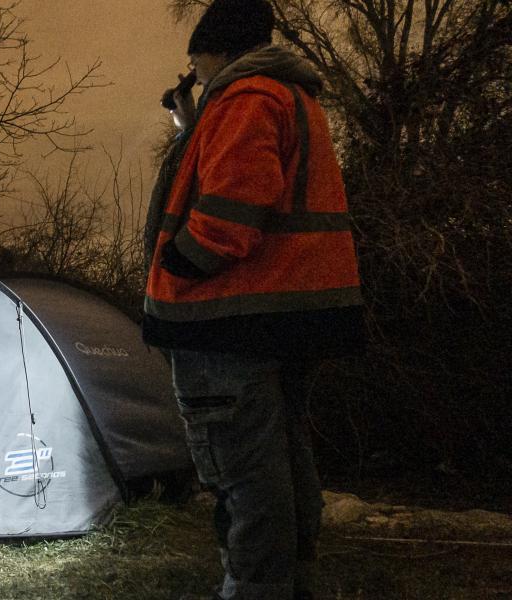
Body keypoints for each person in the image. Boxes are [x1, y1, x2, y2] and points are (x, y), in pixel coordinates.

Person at [143, 1, 365, 599]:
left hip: (233, 320)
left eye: (197, 63)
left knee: (245, 475)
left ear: (216, 51)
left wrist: (183, 259)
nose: (195, 74)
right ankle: (294, 585)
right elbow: (242, 166)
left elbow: (238, 196)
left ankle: (255, 588)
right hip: (288, 315)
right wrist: (192, 123)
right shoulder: (289, 96)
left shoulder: (247, 97)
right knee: (284, 467)